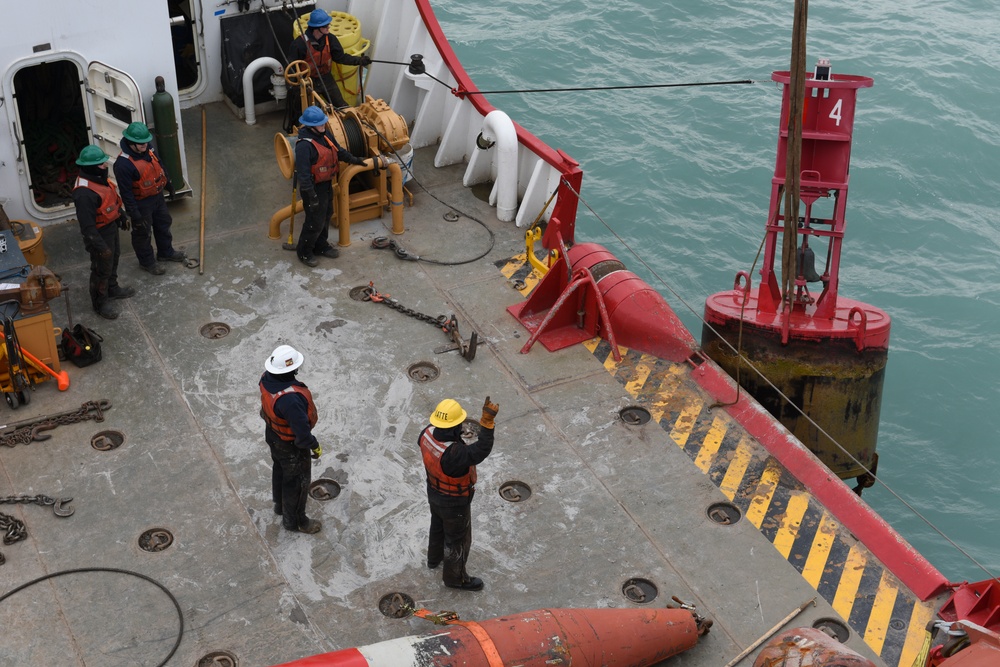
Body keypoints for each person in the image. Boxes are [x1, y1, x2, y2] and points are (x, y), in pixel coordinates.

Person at [418, 396, 499, 591]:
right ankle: (455, 579)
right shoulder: (455, 454)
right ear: (454, 427)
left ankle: (433, 559)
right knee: (457, 541)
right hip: (454, 504)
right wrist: (487, 423)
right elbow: (481, 450)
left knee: (437, 526)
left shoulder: (426, 433)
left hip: (434, 493)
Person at [294, 105, 371, 267]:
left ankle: (320, 245)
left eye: (323, 122)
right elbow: (303, 174)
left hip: (326, 184)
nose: (324, 125)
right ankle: (304, 252)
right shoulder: (304, 146)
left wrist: (355, 159)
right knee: (314, 221)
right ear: (310, 125)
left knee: (327, 214)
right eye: (320, 124)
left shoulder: (325, 134)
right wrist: (311, 195)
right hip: (313, 189)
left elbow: (339, 151)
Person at [259, 344, 324, 534]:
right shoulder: (291, 399)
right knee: (297, 482)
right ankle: (296, 521)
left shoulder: (266, 379)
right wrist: (314, 445)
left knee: (280, 469)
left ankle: (280, 506)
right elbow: (301, 433)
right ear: (293, 368)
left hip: (273, 436)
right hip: (290, 445)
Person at [71, 145, 136, 320]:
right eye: (100, 164)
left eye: (104, 162)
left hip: (110, 227)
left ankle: (112, 288)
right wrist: (101, 247)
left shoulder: (101, 180)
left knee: (113, 260)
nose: (105, 166)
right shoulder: (84, 194)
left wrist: (121, 216)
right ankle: (100, 303)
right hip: (99, 234)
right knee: (101, 269)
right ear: (89, 167)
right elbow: (87, 228)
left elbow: (111, 199)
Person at [113, 121, 186, 276]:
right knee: (142, 233)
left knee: (163, 224)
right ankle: (147, 262)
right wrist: (135, 216)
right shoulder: (123, 164)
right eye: (140, 144)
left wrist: (169, 185)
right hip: (141, 203)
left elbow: (160, 165)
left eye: (146, 142)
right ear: (131, 142)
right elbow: (126, 194)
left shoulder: (148, 148)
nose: (144, 146)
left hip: (157, 197)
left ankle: (165, 252)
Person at [289, 8, 372, 109]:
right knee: (304, 111)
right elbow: (291, 68)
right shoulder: (299, 45)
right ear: (316, 28)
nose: (328, 27)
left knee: (343, 107)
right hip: (307, 82)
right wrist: (296, 87)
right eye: (325, 25)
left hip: (325, 78)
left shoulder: (330, 39)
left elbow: (340, 57)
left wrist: (359, 60)